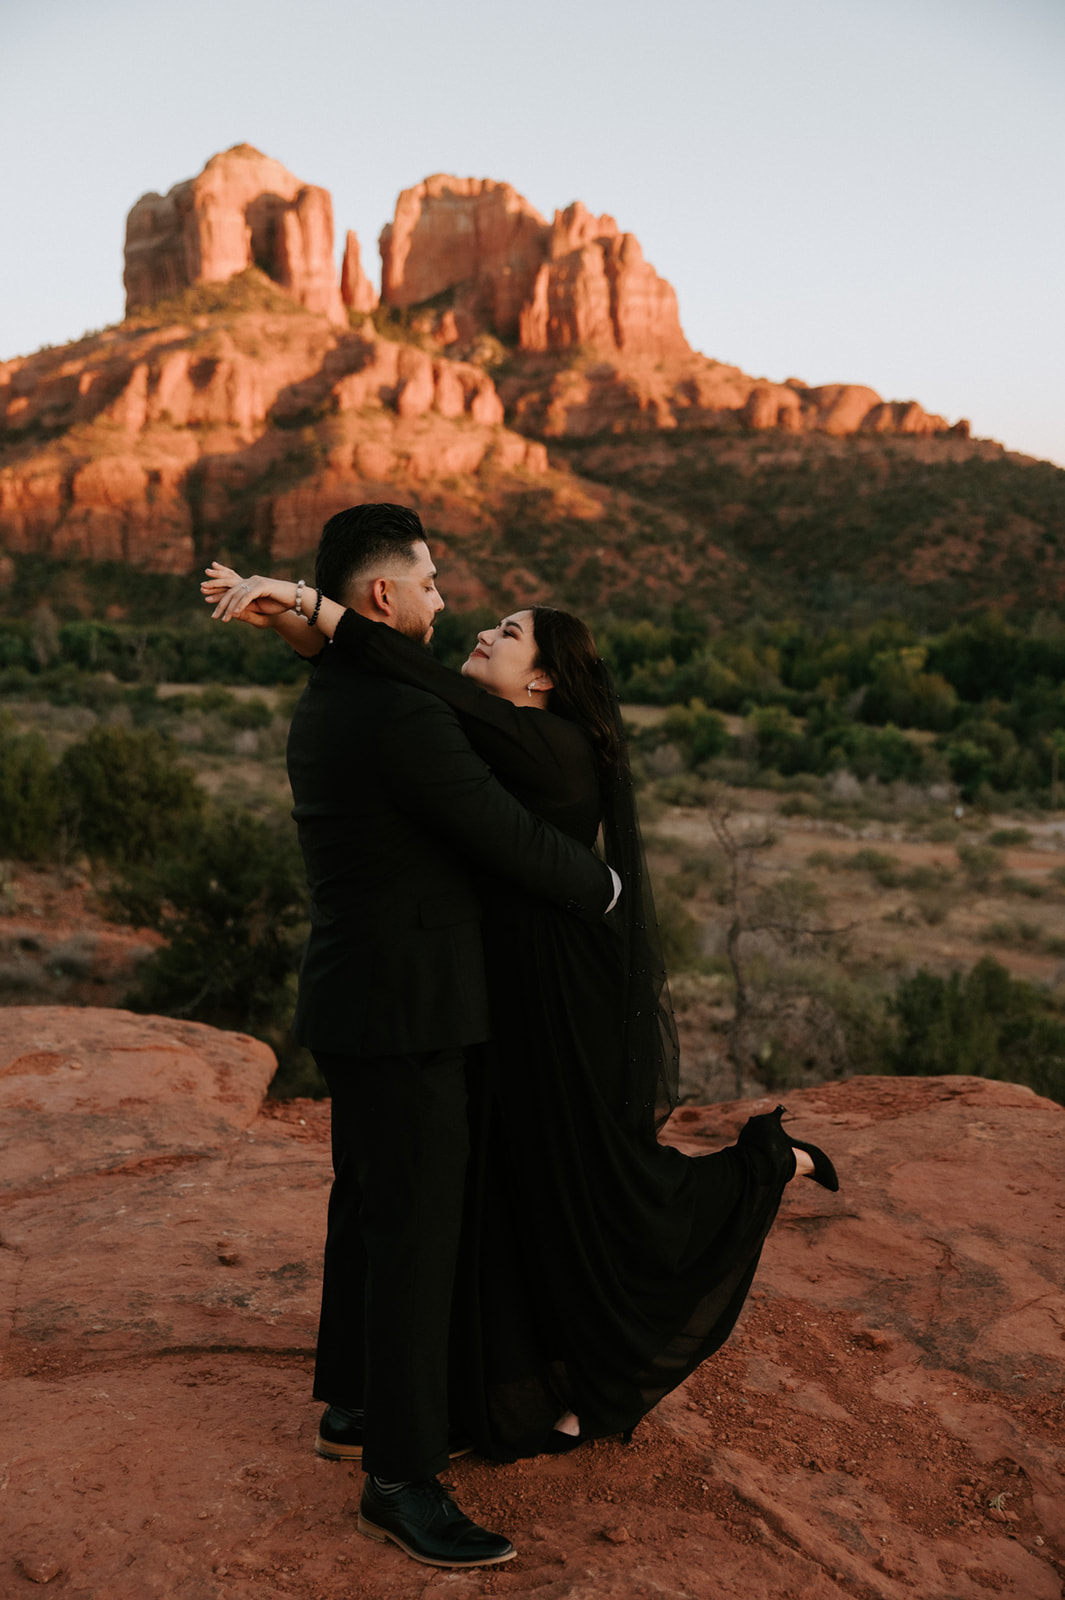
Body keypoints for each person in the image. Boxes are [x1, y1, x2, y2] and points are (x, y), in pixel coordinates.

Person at [203, 537, 837, 1462]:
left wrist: (311, 603)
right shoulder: (485, 726)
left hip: (558, 992)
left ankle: (761, 1171)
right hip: (488, 989)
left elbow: (413, 683)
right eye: (455, 601)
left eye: (508, 632)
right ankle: (508, 1377)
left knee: (588, 1179)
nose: (478, 626)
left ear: (542, 681)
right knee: (509, 1190)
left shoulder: (550, 743)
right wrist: (302, 628)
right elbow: (387, 689)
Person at [209, 506, 618, 1569]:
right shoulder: (404, 716)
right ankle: (401, 1477)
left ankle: (352, 1411)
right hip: (409, 1011)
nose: (447, 601)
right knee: (416, 1234)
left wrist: (308, 617)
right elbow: (513, 839)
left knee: (372, 1208)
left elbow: (364, 660)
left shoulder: (350, 688)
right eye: (430, 583)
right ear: (385, 597)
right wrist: (605, 886)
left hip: (364, 1001)